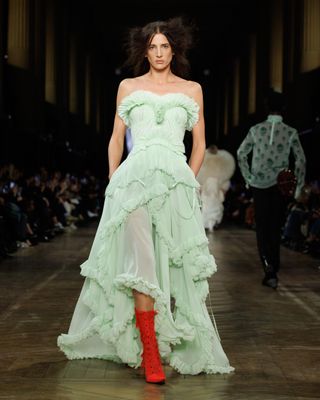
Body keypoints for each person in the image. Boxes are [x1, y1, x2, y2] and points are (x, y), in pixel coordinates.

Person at [57, 16, 234, 384]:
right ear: (144, 50)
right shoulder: (128, 86)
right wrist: (112, 177)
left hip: (174, 181)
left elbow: (198, 144)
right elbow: (116, 138)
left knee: (176, 264)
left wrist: (188, 176)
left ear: (175, 49)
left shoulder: (191, 90)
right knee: (141, 262)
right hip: (134, 181)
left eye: (165, 46)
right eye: (152, 46)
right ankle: (150, 354)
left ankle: (167, 342)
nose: (158, 53)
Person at [237, 89, 306, 289]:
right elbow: (301, 159)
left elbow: (241, 153)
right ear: (283, 107)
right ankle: (274, 267)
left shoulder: (256, 130)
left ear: (267, 107)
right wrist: (298, 186)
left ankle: (268, 267)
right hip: (280, 185)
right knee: (275, 226)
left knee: (262, 227)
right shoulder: (290, 131)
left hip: (259, 183)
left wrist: (248, 177)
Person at [196, 144, 235, 231]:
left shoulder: (205, 159)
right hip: (213, 189)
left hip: (209, 189)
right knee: (212, 206)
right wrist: (223, 189)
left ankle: (208, 224)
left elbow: (199, 176)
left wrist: (200, 188)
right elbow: (225, 177)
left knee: (207, 206)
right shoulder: (221, 161)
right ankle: (210, 224)